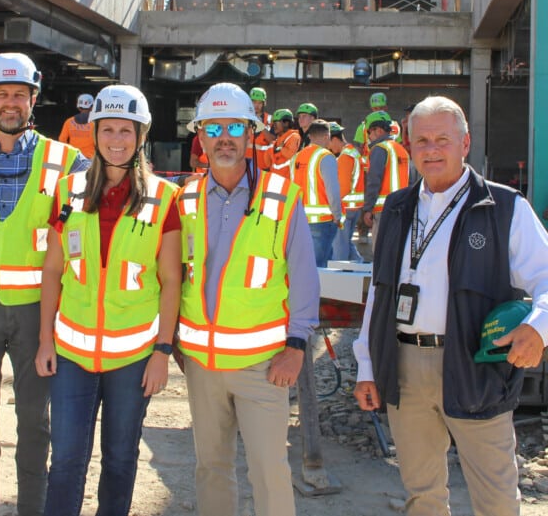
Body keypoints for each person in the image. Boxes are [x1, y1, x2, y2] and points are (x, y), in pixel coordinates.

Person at [353, 96, 548, 516]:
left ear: (465, 143)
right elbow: (380, 296)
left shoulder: (503, 207)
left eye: (443, 139)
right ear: (409, 147)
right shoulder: (397, 208)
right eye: (422, 141)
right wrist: (367, 366)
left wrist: (539, 327)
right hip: (405, 366)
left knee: (496, 497)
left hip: (475, 367)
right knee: (421, 494)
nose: (432, 150)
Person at [35, 84, 181, 516]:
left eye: (126, 131)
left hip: (133, 359)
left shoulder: (164, 198)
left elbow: (171, 281)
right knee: (65, 461)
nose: (116, 140)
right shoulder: (68, 191)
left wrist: (162, 352)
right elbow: (52, 270)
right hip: (71, 355)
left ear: (141, 137)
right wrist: (45, 341)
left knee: (119, 459)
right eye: (108, 130)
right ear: (95, 133)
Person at [0, 52, 88, 516]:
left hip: (37, 310)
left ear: (34, 99)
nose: (10, 103)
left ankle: (32, 508)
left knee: (34, 421)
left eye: (20, 95)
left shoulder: (67, 161)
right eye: (2, 94)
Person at [177, 82, 319, 516]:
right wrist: (175, 344)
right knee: (211, 469)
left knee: (269, 471)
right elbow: (174, 278)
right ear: (200, 138)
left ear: (251, 134)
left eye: (235, 127)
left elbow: (305, 278)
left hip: (264, 367)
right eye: (213, 128)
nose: (224, 137)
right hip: (202, 366)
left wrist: (297, 346)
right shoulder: (184, 199)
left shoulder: (282, 197)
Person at [289, 119, 343, 267]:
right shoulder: (326, 156)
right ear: (327, 136)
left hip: (299, 219)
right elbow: (333, 190)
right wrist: (337, 215)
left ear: (310, 136)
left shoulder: (296, 157)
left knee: (304, 265)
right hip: (322, 221)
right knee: (320, 267)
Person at [360, 111, 409, 249]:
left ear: (379, 130)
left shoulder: (379, 149)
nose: (369, 137)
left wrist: (368, 208)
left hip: (383, 209)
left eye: (369, 132)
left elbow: (374, 181)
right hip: (401, 207)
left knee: (380, 250)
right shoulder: (401, 150)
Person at [328, 122, 364, 262]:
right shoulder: (352, 152)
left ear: (334, 139)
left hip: (345, 208)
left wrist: (332, 204)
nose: (329, 148)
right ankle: (360, 266)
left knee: (340, 249)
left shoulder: (345, 157)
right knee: (347, 244)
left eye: (329, 143)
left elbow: (342, 188)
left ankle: (339, 272)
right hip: (354, 207)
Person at [58, 93, 95, 158]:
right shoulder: (95, 123)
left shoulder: (69, 121)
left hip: (73, 158)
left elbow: (62, 139)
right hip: (90, 158)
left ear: (78, 107)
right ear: (92, 107)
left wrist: (69, 154)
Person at [266, 108, 301, 175]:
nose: (273, 125)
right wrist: (271, 148)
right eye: (273, 123)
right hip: (274, 177)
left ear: (286, 123)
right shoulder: (276, 142)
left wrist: (280, 149)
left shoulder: (294, 137)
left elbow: (291, 155)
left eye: (276, 123)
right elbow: (267, 163)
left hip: (287, 179)